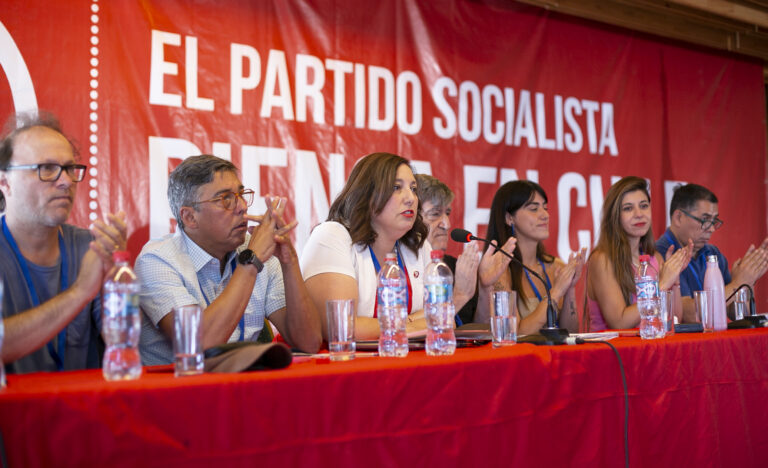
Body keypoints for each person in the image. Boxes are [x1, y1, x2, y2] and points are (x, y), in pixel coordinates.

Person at [135, 155, 322, 364]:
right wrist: (251, 261)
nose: (242, 206)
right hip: (180, 383)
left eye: (241, 195)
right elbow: (198, 345)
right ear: (189, 217)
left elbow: (309, 342)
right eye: (225, 199)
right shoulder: (157, 260)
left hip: (244, 380)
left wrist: (289, 261)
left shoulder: (255, 249)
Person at [0, 111, 127, 372]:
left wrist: (118, 280)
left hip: (83, 398)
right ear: (5, 182)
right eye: (47, 169)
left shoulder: (90, 247)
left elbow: (122, 344)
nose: (66, 181)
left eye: (69, 168)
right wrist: (80, 292)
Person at [300, 152, 432, 341]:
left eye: (413, 188)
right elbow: (341, 328)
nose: (411, 198)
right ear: (367, 195)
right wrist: (412, 323)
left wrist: (380, 326)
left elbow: (444, 319)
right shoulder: (332, 237)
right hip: (343, 359)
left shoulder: (418, 245)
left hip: (403, 356)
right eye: (396, 187)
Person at [585, 176, 692, 331]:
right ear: (614, 216)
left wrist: (673, 279)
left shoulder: (655, 258)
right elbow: (620, 322)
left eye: (644, 206)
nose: (639, 214)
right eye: (628, 208)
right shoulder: (602, 259)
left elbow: (674, 318)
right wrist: (661, 285)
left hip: (652, 344)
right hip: (614, 346)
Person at [478, 180, 585, 334]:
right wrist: (556, 292)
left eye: (545, 208)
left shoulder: (557, 266)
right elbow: (514, 334)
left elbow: (571, 332)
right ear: (509, 218)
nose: (545, 215)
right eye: (534, 209)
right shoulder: (498, 271)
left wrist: (569, 289)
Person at [655, 183, 768, 318]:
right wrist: (738, 283)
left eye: (714, 221)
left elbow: (739, 315)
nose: (712, 229)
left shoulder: (713, 253)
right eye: (705, 220)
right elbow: (688, 315)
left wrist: (748, 278)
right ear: (678, 218)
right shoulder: (660, 254)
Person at [414, 174, 480, 325]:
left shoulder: (457, 268)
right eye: (435, 214)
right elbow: (408, 328)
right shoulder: (401, 270)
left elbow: (478, 328)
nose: (447, 224)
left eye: (447, 213)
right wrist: (459, 296)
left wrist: (486, 286)